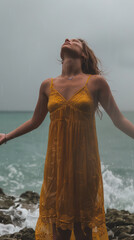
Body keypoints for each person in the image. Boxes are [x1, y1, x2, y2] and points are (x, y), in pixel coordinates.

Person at [0, 38, 134, 240]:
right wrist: (6, 136)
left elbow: (119, 120)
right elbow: (35, 121)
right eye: (66, 39)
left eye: (75, 40)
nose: (68, 40)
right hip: (57, 167)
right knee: (59, 232)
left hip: (85, 166)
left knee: (83, 231)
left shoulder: (96, 82)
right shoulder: (47, 85)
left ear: (83, 54)